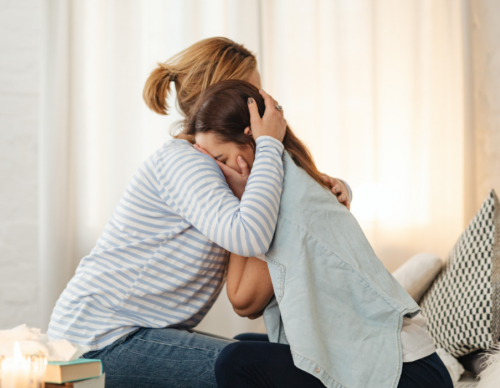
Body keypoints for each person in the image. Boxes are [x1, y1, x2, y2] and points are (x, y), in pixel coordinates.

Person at [47, 37, 350, 388]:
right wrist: (269, 143)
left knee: (260, 358)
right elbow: (250, 234)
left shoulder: (219, 166)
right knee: (257, 371)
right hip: (98, 341)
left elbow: (275, 214)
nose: (264, 113)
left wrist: (333, 187)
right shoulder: (184, 161)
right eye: (254, 96)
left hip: (124, 334)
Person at [187, 80, 454, 388]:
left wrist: (242, 201)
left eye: (220, 161)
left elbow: (244, 301)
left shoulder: (287, 196)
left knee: (236, 360)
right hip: (387, 362)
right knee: (242, 344)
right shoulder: (284, 182)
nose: (218, 175)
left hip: (406, 373)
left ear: (253, 140)